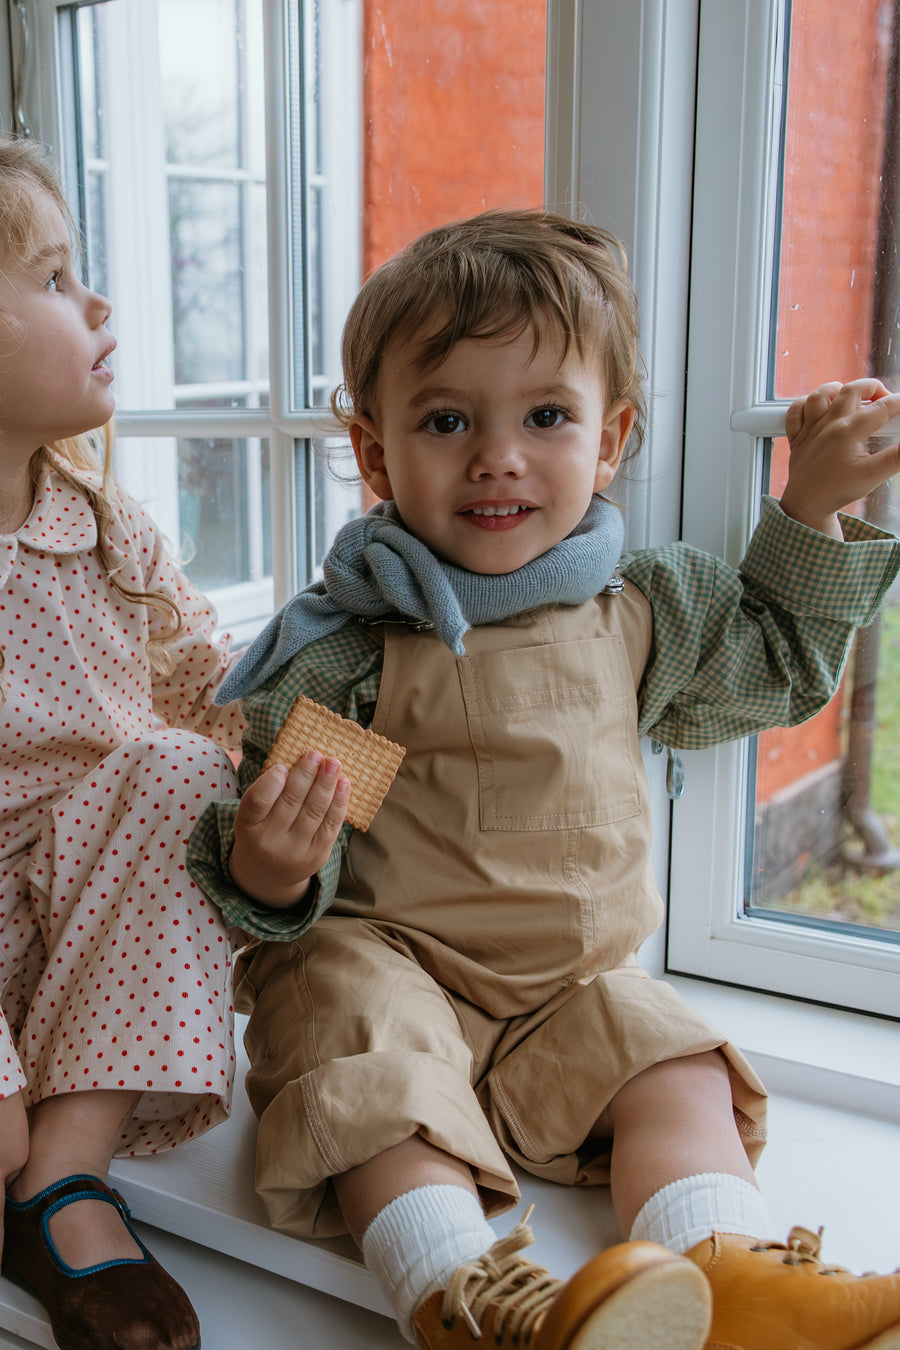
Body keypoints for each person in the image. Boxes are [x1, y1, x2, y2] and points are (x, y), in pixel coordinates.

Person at [188, 208, 900, 1350]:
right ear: (376, 453)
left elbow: (770, 666)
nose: (497, 456)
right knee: (359, 1052)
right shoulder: (361, 651)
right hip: (397, 968)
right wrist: (273, 871)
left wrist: (813, 506)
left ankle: (735, 1276)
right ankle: (477, 1301)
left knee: (675, 1065)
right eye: (448, 419)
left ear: (609, 439)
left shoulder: (638, 610)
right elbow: (300, 855)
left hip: (564, 991)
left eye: (547, 416)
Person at [0, 133, 245, 1350]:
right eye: (51, 280)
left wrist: (348, 761)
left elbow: (217, 687)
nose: (97, 301)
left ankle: (63, 1173)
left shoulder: (105, 530)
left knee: (187, 763)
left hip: (83, 948)